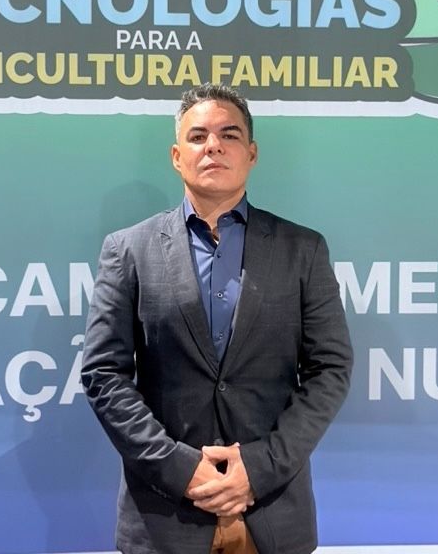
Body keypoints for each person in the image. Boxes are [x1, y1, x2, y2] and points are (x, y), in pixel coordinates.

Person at [82, 83, 353, 554]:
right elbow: (104, 374)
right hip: (164, 518)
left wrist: (259, 468)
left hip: (272, 515)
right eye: (198, 136)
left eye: (229, 135)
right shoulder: (128, 250)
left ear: (252, 153)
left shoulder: (303, 249)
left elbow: (330, 369)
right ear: (176, 156)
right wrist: (181, 470)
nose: (213, 146)